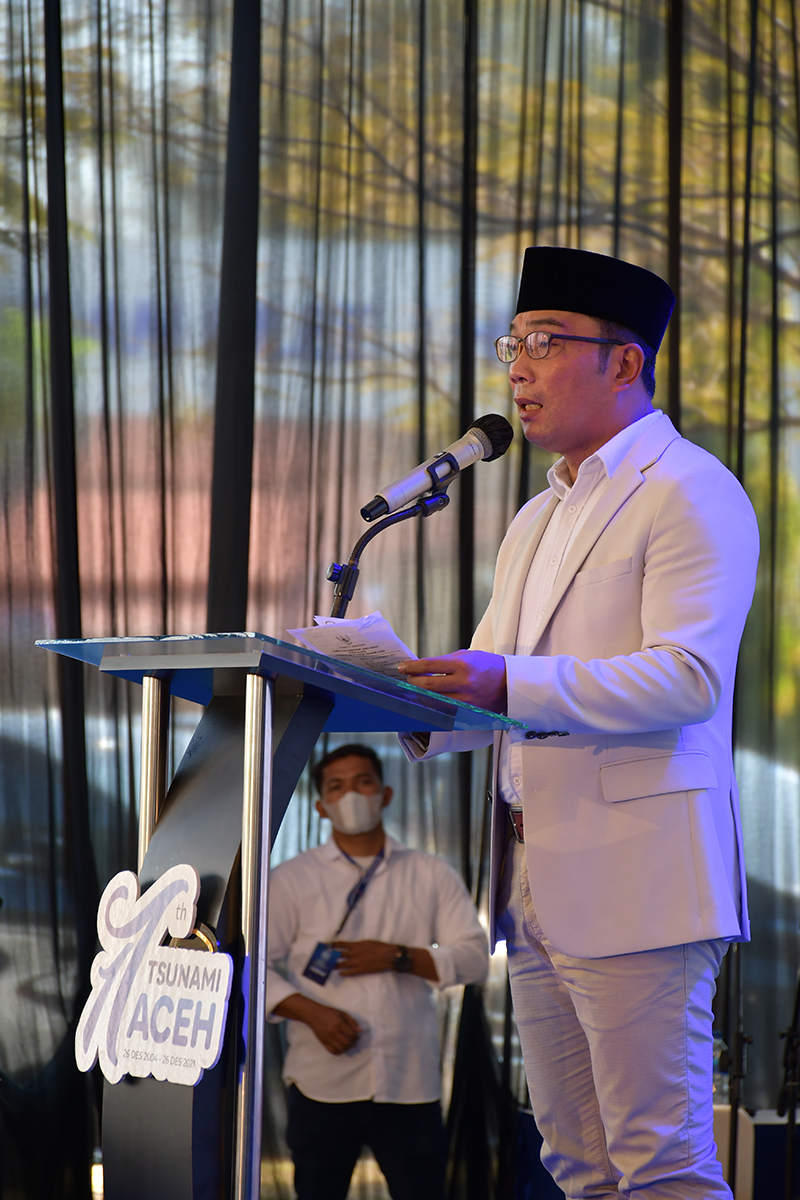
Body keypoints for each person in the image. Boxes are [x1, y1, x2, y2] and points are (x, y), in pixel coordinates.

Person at [396, 246, 760, 1200]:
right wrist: (395, 693)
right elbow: (492, 682)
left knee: (661, 1162)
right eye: (513, 343)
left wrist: (504, 681)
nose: (517, 369)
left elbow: (687, 679)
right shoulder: (536, 516)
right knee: (577, 1165)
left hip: (640, 878)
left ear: (625, 361)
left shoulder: (690, 489)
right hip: (536, 881)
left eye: (545, 343)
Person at [266, 742, 489, 1200]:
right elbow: (249, 967)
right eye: (336, 786)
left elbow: (475, 957)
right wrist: (311, 1013)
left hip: (409, 1080)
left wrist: (397, 956)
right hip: (321, 1078)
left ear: (385, 794)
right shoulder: (290, 878)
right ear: (320, 806)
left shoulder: (430, 874)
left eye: (363, 782)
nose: (351, 795)